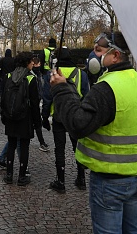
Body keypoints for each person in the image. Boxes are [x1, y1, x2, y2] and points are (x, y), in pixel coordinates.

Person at [50, 31, 137, 234]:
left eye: (99, 50)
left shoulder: (107, 87)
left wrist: (61, 90)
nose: (94, 55)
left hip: (110, 181)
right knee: (135, 229)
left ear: (115, 55)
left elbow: (78, 125)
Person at [42, 47, 89, 193]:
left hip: (59, 116)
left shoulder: (52, 74)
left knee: (59, 149)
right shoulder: (81, 74)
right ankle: (81, 179)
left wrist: (44, 117)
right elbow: (87, 95)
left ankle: (60, 181)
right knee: (78, 147)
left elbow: (47, 98)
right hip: (77, 116)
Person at [1, 51, 41, 186]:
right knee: (24, 146)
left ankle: (9, 175)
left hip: (10, 116)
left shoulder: (8, 76)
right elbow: (35, 103)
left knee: (11, 145)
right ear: (27, 63)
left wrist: (4, 116)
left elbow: (3, 98)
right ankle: (22, 176)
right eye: (31, 62)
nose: (33, 64)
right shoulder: (31, 78)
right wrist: (37, 122)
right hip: (25, 116)